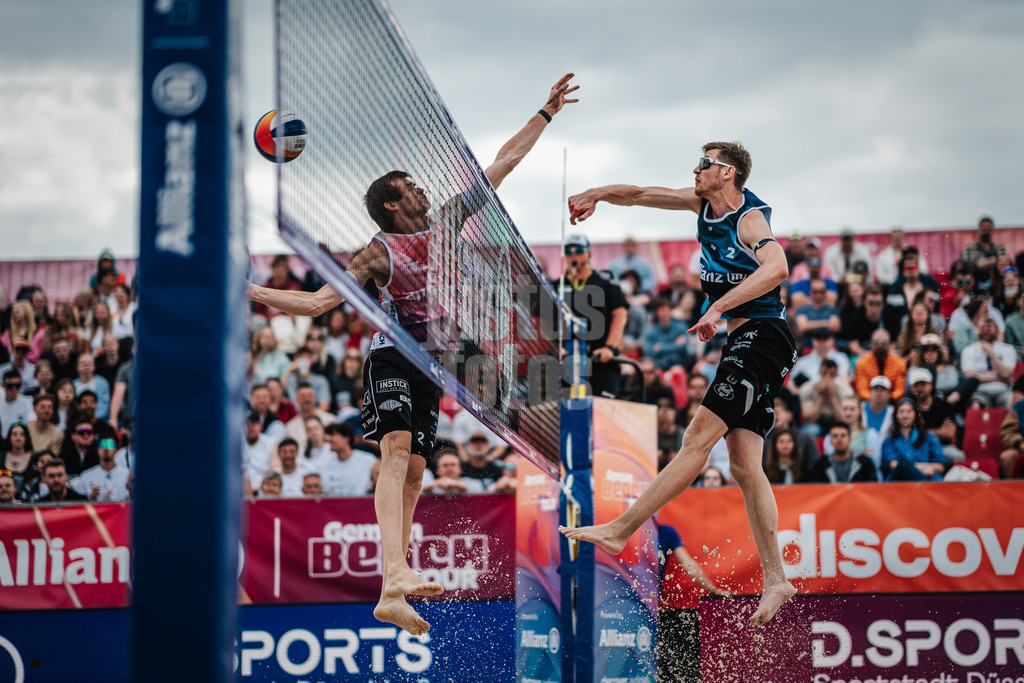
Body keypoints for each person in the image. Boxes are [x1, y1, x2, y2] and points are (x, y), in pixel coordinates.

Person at [248, 74, 578, 635]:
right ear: (393, 203)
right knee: (397, 450)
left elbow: (504, 162)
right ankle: (395, 570)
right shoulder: (377, 254)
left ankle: (391, 592)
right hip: (393, 353)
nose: (425, 191)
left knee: (417, 471)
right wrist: (250, 290)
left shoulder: (447, 222)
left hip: (437, 361)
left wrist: (544, 113)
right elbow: (314, 305)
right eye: (414, 187)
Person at [561, 141, 798, 624]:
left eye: (705, 164)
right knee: (745, 467)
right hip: (749, 341)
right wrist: (598, 193)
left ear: (727, 173)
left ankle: (620, 529)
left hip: (762, 337)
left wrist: (716, 307)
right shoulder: (699, 203)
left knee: (695, 440)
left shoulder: (748, 219)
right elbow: (641, 193)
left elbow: (777, 269)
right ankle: (776, 579)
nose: (695, 169)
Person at [555, 232, 629, 398]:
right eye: (568, 250)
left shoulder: (605, 279)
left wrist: (610, 347)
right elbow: (541, 320)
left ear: (589, 253)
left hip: (600, 359)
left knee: (602, 412)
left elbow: (620, 313)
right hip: (566, 361)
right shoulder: (556, 285)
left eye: (579, 249)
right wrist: (553, 349)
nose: (573, 253)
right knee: (562, 414)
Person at [656, 521, 730, 683]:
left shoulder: (665, 532)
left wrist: (712, 589)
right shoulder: (628, 530)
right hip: (626, 603)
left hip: (655, 608)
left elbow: (688, 563)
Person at [907, 367, 964, 465]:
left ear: (931, 386)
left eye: (923, 384)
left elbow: (950, 433)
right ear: (911, 388)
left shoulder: (944, 406)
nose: (920, 388)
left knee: (958, 456)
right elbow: (908, 434)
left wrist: (921, 432)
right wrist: (940, 431)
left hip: (943, 446)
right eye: (916, 385)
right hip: (915, 447)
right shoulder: (908, 408)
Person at [882, 398, 945, 481]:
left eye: (909, 411)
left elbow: (940, 466)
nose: (905, 415)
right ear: (895, 415)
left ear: (915, 414)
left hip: (927, 480)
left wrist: (922, 469)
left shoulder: (929, 437)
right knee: (904, 465)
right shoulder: (889, 441)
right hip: (900, 481)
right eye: (901, 412)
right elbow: (893, 465)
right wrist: (922, 468)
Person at [806, 422, 879, 484]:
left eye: (843, 435)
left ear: (850, 439)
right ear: (830, 441)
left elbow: (872, 490)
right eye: (835, 436)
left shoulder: (865, 463)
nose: (839, 439)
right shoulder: (820, 465)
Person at [799, 358, 854, 436]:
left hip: (836, 421)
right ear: (819, 373)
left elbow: (843, 420)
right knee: (811, 430)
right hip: (816, 422)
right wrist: (820, 397)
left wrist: (832, 397)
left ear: (836, 375)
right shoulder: (806, 389)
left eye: (831, 374)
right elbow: (809, 419)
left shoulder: (846, 391)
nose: (827, 378)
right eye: (824, 373)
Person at [320, 422, 378, 496]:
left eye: (333, 435)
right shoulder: (325, 464)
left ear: (346, 438)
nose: (329, 439)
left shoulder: (369, 461)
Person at [72, 436, 130, 502]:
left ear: (116, 449)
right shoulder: (86, 476)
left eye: (110, 445)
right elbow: (78, 503)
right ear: (97, 449)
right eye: (102, 445)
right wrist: (90, 499)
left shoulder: (127, 475)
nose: (106, 448)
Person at [854, 329, 906, 401]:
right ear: (871, 344)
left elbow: (900, 390)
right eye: (876, 342)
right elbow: (862, 390)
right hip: (869, 402)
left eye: (884, 342)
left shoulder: (900, 363)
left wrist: (889, 398)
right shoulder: (862, 363)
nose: (880, 345)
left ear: (889, 345)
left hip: (892, 401)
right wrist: (875, 399)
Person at [644, 298, 692, 371]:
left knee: (677, 371)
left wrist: (660, 347)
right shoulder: (650, 330)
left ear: (670, 311)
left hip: (678, 364)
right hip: (657, 366)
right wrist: (675, 344)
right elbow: (649, 352)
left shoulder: (681, 327)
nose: (664, 314)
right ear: (657, 313)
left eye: (667, 310)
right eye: (662, 311)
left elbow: (685, 348)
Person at [284, 383, 336, 451]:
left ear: (315, 398)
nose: (307, 399)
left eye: (310, 395)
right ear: (297, 399)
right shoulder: (290, 427)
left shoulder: (330, 420)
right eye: (303, 396)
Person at [794, 278, 841, 345]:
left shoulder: (832, 309)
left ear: (826, 292)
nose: (818, 294)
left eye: (821, 291)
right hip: (808, 345)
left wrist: (810, 324)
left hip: (830, 344)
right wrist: (825, 323)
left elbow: (835, 327)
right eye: (815, 291)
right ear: (811, 292)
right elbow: (801, 327)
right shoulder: (802, 309)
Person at [962, 216, 1006, 285]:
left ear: (992, 229)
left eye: (988, 227)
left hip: (996, 284)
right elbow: (968, 266)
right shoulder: (969, 249)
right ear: (979, 229)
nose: (986, 228)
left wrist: (981, 263)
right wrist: (992, 260)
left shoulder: (1000, 248)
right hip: (975, 284)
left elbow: (1004, 265)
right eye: (983, 226)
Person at [73, 354, 111, 421]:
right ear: (78, 367)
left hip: (98, 421)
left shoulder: (103, 383)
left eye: (89, 363)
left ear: (94, 366)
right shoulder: (72, 385)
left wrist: (91, 420)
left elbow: (104, 406)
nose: (86, 366)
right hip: (77, 421)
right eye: (83, 364)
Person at [1, 370, 36, 436]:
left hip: (21, 439)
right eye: (10, 386)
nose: (14, 389)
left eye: (17, 385)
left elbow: (32, 420)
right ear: (3, 386)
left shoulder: (28, 401)